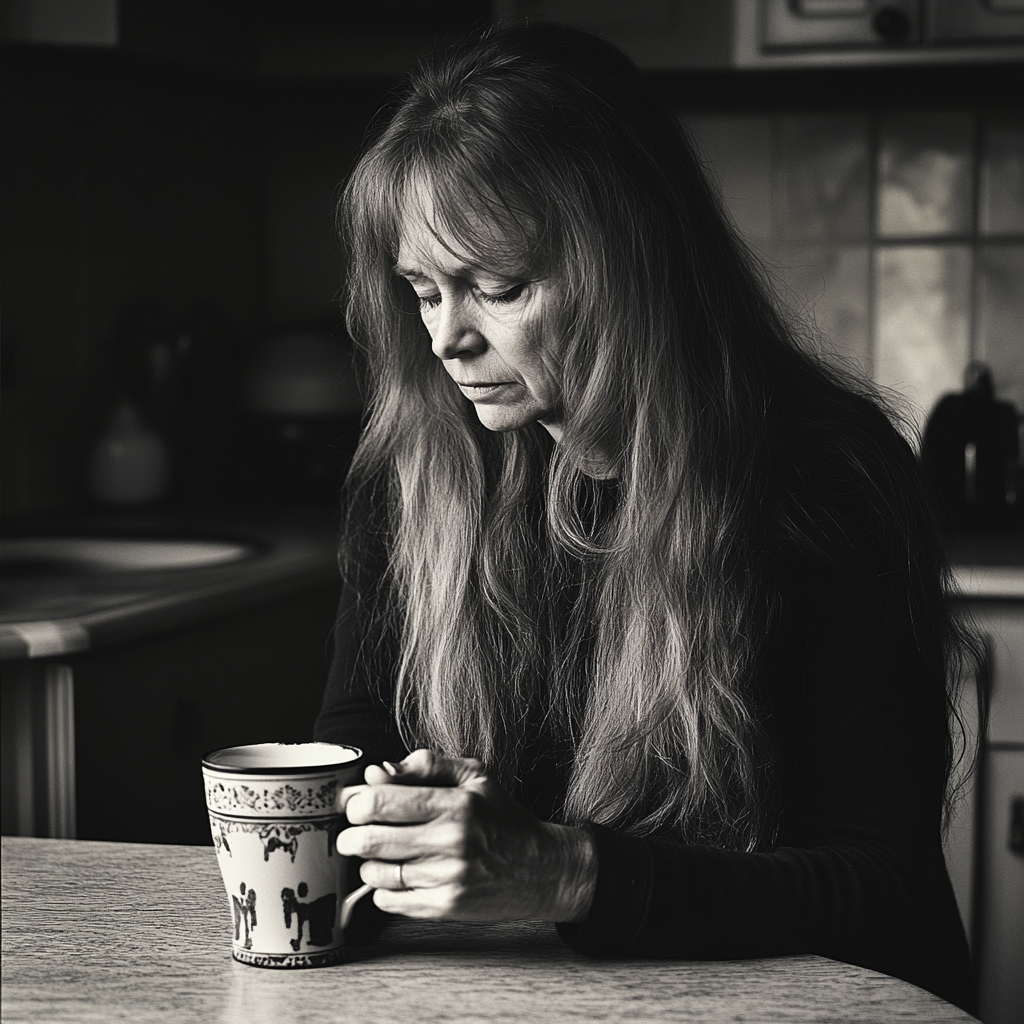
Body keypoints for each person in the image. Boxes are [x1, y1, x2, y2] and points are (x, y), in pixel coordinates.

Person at [314, 22, 979, 1014]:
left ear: (624, 267)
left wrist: (567, 873)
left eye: (498, 287)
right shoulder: (424, 467)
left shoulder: (823, 477)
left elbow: (882, 887)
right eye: (422, 292)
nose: (448, 337)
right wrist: (392, 806)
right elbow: (350, 740)